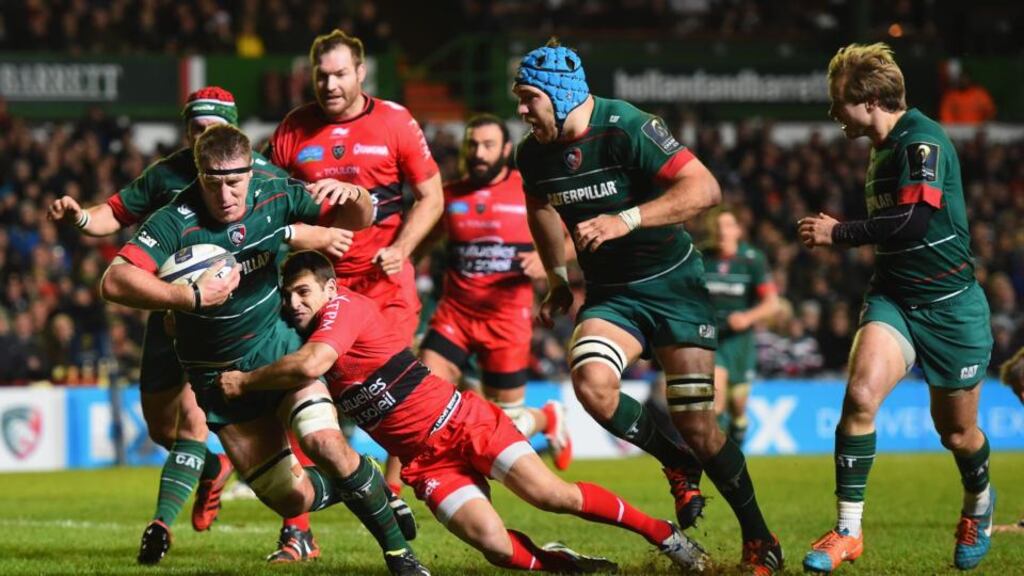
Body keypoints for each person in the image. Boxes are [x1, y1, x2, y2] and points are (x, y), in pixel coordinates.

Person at [216, 250, 708, 573]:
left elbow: (313, 365)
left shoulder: (344, 308)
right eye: (288, 295)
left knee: (551, 495)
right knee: (495, 548)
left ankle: (664, 536)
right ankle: (564, 565)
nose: (294, 302)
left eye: (303, 292)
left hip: (463, 422)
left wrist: (245, 381)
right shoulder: (299, 332)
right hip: (426, 462)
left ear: (329, 288)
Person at [99, 125, 428, 576]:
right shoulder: (174, 220)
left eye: (235, 182)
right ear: (198, 174)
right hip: (218, 380)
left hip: (278, 350)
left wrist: (355, 195)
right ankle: (363, 480)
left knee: (325, 444)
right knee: (292, 498)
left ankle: (401, 557)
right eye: (213, 183)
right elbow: (114, 281)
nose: (225, 195)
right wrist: (189, 297)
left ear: (251, 173)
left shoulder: (275, 192)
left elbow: (360, 219)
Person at [47, 86, 350, 564]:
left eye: (213, 127)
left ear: (233, 131)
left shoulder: (262, 175)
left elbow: (295, 223)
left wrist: (321, 230)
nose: (202, 135)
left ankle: (291, 530)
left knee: (238, 418)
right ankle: (211, 466)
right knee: (159, 427)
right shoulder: (166, 174)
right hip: (171, 314)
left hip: (236, 325)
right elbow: (114, 214)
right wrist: (82, 217)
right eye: (195, 128)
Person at [513, 39, 781, 574]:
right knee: (591, 384)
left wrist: (626, 219)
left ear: (561, 95)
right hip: (613, 294)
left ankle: (760, 538)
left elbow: (704, 188)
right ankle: (675, 462)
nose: (522, 110)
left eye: (529, 98)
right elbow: (540, 207)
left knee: (698, 424)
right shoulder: (532, 154)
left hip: (674, 286)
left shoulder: (628, 126)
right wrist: (558, 278)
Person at [798, 43, 995, 572]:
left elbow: (914, 222)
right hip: (895, 299)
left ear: (870, 101)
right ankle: (847, 531)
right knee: (860, 396)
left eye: (838, 100)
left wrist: (839, 233)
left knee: (956, 433)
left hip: (951, 307)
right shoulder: (882, 147)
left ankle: (979, 502)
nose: (833, 112)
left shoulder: (921, 141)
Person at [269, 29, 443, 498]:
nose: (330, 85)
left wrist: (403, 248)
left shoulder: (395, 121)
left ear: (361, 73)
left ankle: (394, 493)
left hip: (384, 283)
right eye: (321, 75)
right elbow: (267, 200)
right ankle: (300, 511)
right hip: (318, 288)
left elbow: (432, 196)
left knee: (392, 392)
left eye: (340, 74)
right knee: (305, 388)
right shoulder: (292, 129)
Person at [419, 114, 572, 470]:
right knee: (424, 397)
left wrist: (550, 261)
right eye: (472, 145)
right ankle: (401, 487)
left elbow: (574, 236)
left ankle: (548, 417)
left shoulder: (530, 191)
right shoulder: (449, 196)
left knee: (507, 428)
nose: (479, 153)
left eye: (488, 145)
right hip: (455, 317)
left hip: (507, 321)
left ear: (505, 150)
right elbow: (421, 242)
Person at [702, 206, 778, 447]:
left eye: (727, 226)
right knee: (715, 400)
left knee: (738, 405)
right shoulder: (702, 258)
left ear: (737, 230)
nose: (721, 231)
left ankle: (737, 435)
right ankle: (717, 456)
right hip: (711, 339)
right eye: (717, 226)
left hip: (740, 342)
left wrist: (747, 317)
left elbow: (772, 303)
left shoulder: (752, 260)